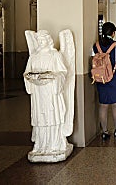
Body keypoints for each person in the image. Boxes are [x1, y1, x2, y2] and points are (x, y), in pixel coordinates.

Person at [24, 30, 73, 161]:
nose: (40, 42)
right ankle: (40, 145)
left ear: (48, 40)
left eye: (43, 40)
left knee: (52, 117)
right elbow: (27, 73)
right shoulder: (33, 57)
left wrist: (54, 77)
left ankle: (55, 144)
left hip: (51, 93)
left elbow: (63, 72)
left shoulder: (54, 55)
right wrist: (30, 78)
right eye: (39, 40)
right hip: (38, 94)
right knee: (40, 118)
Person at [92, 22, 116, 140]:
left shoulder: (95, 46)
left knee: (103, 106)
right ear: (113, 33)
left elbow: (94, 62)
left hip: (100, 79)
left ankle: (105, 132)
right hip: (114, 79)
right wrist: (114, 71)